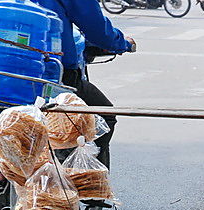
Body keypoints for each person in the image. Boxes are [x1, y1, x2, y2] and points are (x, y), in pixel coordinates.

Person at [32, 0, 136, 165]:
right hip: (53, 75)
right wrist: (122, 43)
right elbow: (98, 31)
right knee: (103, 115)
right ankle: (90, 184)